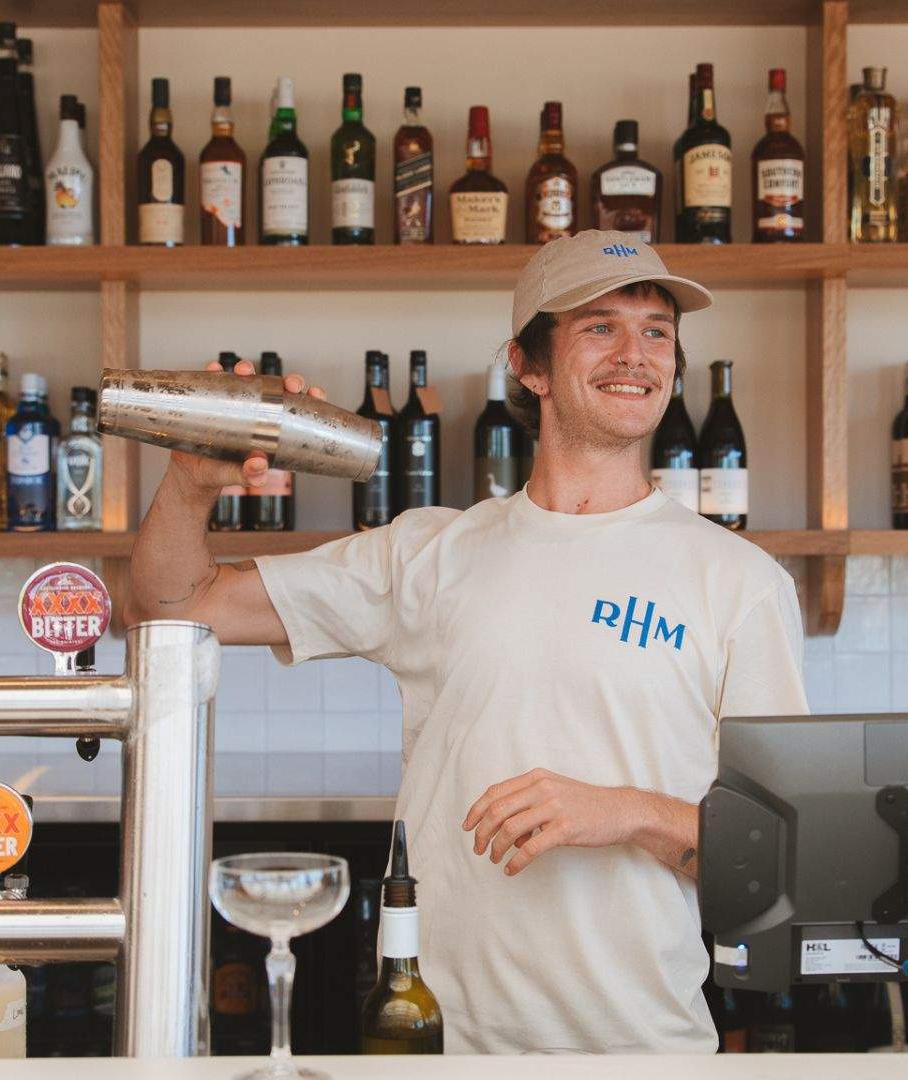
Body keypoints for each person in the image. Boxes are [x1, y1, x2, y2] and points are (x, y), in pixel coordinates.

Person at [129, 230, 809, 1054]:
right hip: (443, 1052)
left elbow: (780, 855)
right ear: (528, 366)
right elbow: (175, 605)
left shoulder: (738, 582)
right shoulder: (428, 554)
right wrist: (190, 481)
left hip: (645, 1052)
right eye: (600, 327)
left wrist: (621, 812)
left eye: (657, 331)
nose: (637, 353)